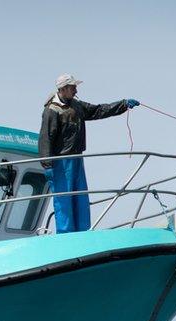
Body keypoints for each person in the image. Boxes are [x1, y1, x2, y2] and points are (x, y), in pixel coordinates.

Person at [38, 74, 140, 233]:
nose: (76, 89)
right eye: (72, 87)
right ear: (63, 89)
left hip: (77, 159)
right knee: (63, 200)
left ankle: (83, 233)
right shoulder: (52, 110)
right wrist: (47, 164)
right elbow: (46, 138)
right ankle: (65, 234)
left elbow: (99, 110)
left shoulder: (77, 106)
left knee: (81, 199)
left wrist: (123, 105)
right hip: (61, 162)